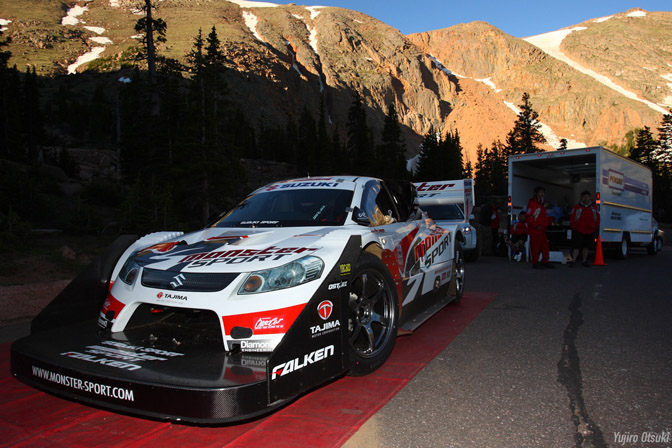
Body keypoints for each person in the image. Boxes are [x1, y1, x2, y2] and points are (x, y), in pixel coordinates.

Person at [569, 191, 600, 267]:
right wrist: (574, 227)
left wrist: (595, 227)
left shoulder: (593, 208)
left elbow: (597, 218)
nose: (585, 199)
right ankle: (573, 261)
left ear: (589, 198)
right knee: (576, 246)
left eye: (586, 197)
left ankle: (584, 261)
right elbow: (572, 218)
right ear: (581, 198)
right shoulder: (577, 207)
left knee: (586, 247)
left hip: (590, 230)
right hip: (578, 230)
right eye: (583, 197)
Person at [526, 186, 554, 269]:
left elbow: (543, 216)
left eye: (543, 192)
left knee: (545, 246)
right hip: (535, 230)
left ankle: (544, 261)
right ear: (536, 193)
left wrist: (548, 222)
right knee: (535, 247)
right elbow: (529, 217)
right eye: (540, 192)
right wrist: (536, 226)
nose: (542, 194)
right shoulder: (533, 204)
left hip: (541, 229)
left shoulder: (541, 204)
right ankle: (535, 262)